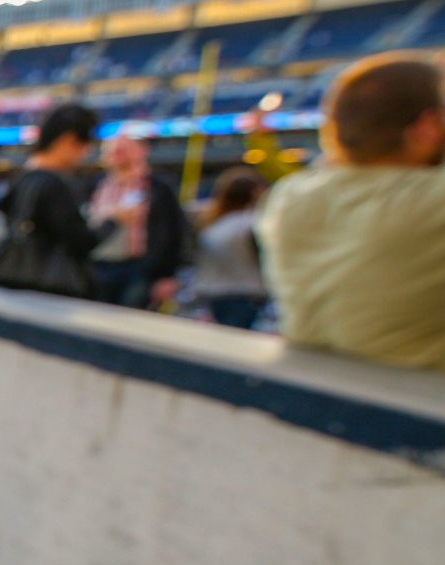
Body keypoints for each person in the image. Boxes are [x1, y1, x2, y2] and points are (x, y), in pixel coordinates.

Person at [258, 54, 445, 371]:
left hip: (319, 394)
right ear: (427, 128)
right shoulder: (430, 203)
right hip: (418, 406)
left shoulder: (290, 197)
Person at [0, 102, 137, 302]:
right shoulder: (54, 184)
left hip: (13, 280)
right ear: (68, 140)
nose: (86, 153)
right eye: (85, 145)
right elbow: (81, 242)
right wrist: (114, 220)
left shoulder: (24, 178)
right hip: (48, 289)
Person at [88, 135, 189, 309]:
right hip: (99, 267)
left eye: (124, 150)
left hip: (139, 268)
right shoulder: (96, 185)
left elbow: (175, 231)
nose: (118, 154)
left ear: (141, 152)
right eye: (113, 150)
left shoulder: (159, 187)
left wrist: (167, 275)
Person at [190, 168, 271, 330]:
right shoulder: (254, 223)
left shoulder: (209, 224)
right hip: (245, 293)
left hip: (211, 292)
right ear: (255, 193)